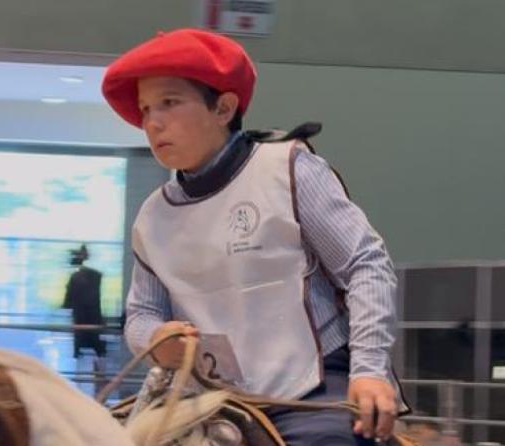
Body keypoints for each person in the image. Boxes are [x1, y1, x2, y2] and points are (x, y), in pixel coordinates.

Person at [102, 28, 407, 445]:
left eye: (169, 103)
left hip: (312, 388)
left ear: (223, 107)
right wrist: (156, 340)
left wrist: (370, 370)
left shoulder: (289, 169)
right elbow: (140, 315)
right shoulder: (153, 216)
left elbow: (366, 265)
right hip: (207, 398)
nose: (152, 122)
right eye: (145, 108)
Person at [63, 244, 106, 358]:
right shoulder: (91, 275)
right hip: (88, 314)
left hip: (84, 314)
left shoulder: (78, 276)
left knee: (86, 335)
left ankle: (87, 352)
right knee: (91, 337)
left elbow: (71, 295)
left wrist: (67, 303)